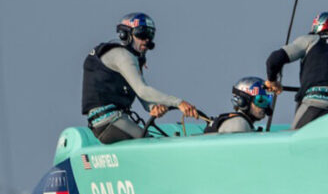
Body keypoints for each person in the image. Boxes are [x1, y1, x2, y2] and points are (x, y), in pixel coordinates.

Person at [81, 12, 198, 144]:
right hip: (110, 122)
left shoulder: (128, 57)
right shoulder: (123, 56)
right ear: (125, 35)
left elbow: (142, 96)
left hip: (109, 122)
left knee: (153, 140)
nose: (146, 40)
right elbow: (142, 90)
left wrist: (153, 107)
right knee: (152, 144)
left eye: (150, 35)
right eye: (141, 34)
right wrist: (179, 103)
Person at [265, 11, 328, 130]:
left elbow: (274, 60)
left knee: (294, 142)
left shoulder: (311, 40)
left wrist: (272, 81)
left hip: (318, 102)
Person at [204, 77, 273, 134]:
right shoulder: (239, 124)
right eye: (260, 101)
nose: (265, 106)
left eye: (267, 100)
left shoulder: (239, 122)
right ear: (243, 101)